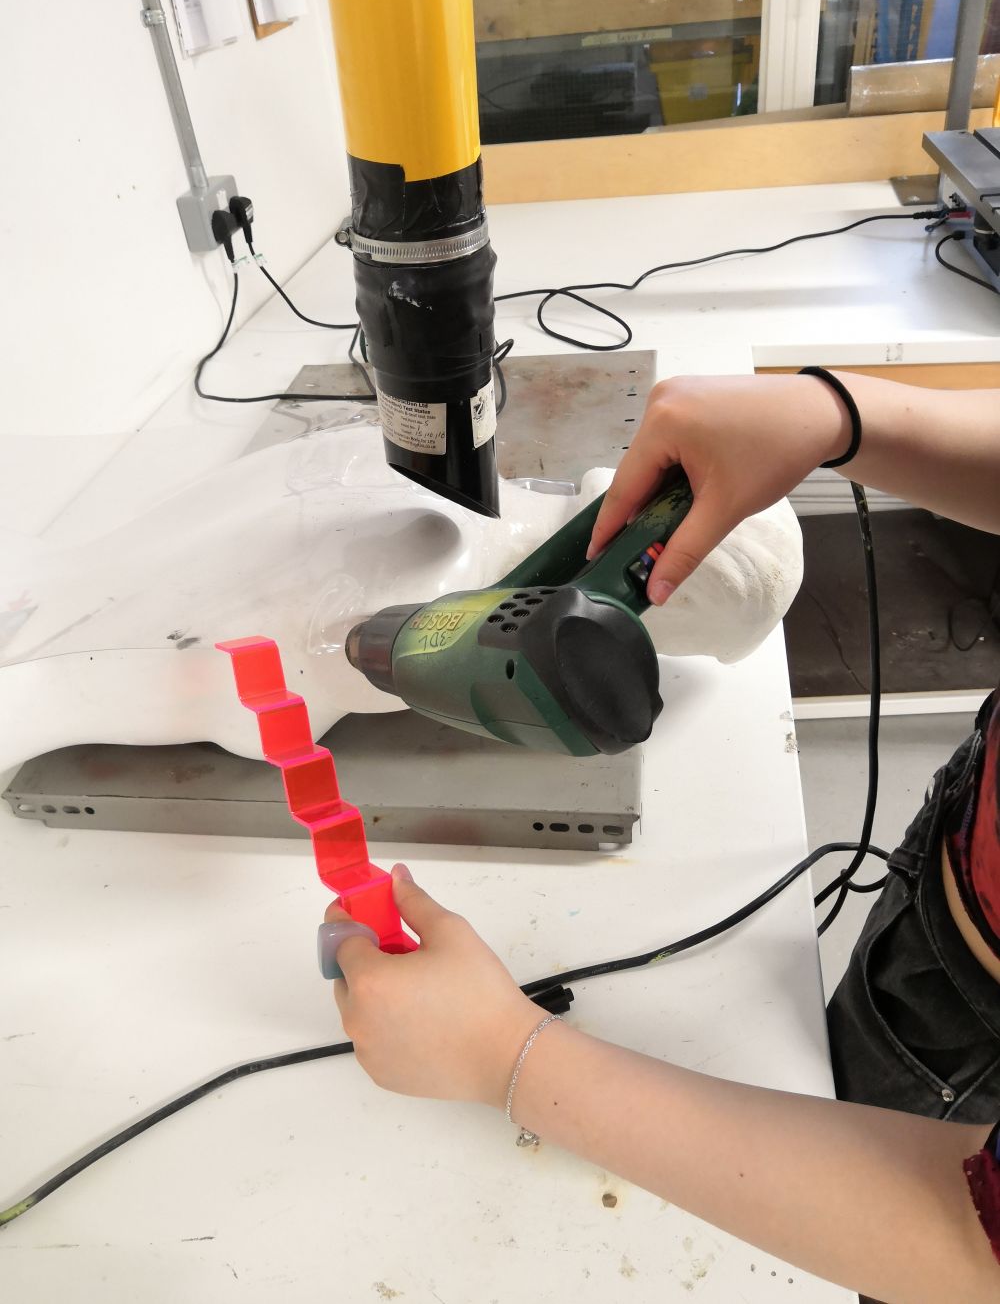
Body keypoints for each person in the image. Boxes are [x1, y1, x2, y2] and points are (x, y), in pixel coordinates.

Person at [323, 371, 1000, 1302]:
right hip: (966, 877)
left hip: (978, 1059)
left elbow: (970, 1241)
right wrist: (840, 416)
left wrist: (505, 1057)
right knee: (845, 1071)